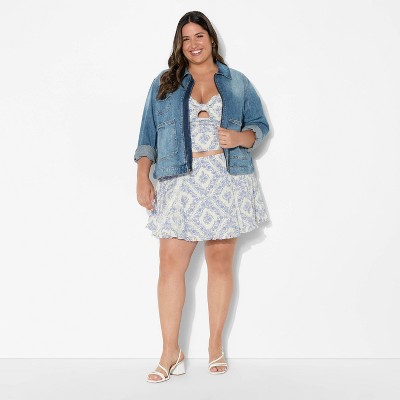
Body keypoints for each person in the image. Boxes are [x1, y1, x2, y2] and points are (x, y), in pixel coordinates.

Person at [134, 10, 270, 383]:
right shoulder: (164, 83)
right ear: (179, 45)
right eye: (186, 38)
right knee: (169, 265)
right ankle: (170, 352)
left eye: (199, 36)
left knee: (221, 264)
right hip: (180, 181)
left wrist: (241, 138)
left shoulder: (237, 81)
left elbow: (259, 125)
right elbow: (147, 135)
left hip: (226, 179)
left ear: (211, 38)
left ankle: (215, 346)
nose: (193, 44)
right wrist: (142, 176)